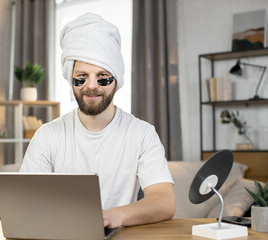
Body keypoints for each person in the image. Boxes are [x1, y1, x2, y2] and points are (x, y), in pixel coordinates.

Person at [20, 12, 176, 229]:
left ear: (116, 80)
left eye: (102, 77)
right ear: (71, 78)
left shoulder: (141, 133)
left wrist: (114, 217)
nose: (91, 86)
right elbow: (25, 201)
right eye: (81, 78)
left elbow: (165, 201)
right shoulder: (47, 136)